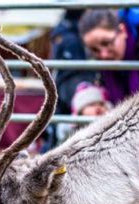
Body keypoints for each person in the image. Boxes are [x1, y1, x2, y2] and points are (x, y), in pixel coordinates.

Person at [43, 10, 98, 150]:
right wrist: (85, 92)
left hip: (62, 88)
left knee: (57, 128)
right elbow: (76, 70)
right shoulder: (72, 39)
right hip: (73, 91)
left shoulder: (61, 33)